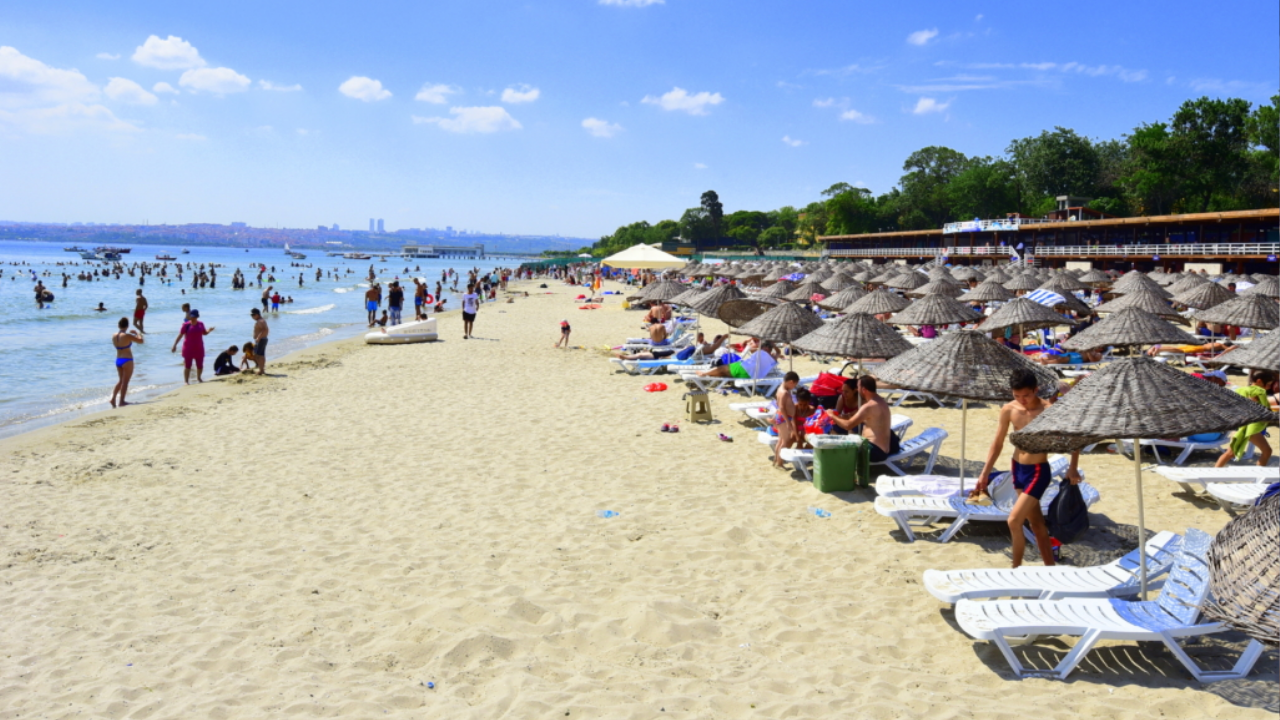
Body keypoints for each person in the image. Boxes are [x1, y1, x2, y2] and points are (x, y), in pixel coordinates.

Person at [971, 368, 1081, 568]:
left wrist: (1073, 468)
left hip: (1038, 471)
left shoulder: (1048, 409)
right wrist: (984, 473)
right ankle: (1050, 567)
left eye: (1027, 395)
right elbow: (997, 443)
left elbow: (1075, 438)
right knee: (1037, 525)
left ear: (1036, 390)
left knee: (1013, 521)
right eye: (1017, 395)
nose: (1022, 400)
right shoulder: (1009, 410)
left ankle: (1016, 570)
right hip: (1017, 469)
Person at [824, 376, 901, 462]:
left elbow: (848, 425)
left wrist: (832, 415)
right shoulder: (881, 401)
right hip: (885, 449)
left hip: (874, 451)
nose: (857, 390)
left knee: (838, 450)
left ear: (864, 390)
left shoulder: (868, 407)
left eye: (858, 387)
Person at [1215, 369, 1276, 468]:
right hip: (1251, 427)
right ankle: (1259, 476)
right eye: (1268, 384)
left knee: (1230, 453)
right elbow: (1265, 409)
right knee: (1267, 451)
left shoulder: (1240, 390)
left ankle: (1214, 474)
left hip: (1241, 424)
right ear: (1259, 381)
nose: (1269, 387)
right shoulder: (1260, 391)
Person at [171, 309, 214, 384]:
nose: (193, 318)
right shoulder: (186, 325)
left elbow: (204, 333)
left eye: (195, 317)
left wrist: (209, 330)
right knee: (187, 365)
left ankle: (199, 378)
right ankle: (186, 381)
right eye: (192, 317)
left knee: (200, 365)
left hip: (199, 347)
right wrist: (174, 345)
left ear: (197, 316)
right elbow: (180, 335)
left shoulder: (201, 324)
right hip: (188, 348)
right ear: (190, 316)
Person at [110, 317, 143, 408]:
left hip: (118, 360)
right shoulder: (127, 335)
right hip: (127, 359)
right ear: (127, 326)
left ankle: (113, 399)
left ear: (118, 325)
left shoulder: (114, 335)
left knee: (120, 381)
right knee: (125, 382)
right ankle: (121, 401)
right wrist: (137, 333)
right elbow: (141, 341)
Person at [772, 371, 802, 467]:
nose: (794, 387)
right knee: (784, 441)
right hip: (784, 418)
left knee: (781, 440)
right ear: (791, 382)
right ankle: (780, 463)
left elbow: (778, 404)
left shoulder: (780, 388)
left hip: (781, 416)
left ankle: (776, 460)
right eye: (795, 385)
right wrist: (788, 422)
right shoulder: (784, 392)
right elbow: (781, 407)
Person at [249, 308, 269, 375]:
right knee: (259, 355)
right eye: (251, 315)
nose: (252, 317)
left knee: (258, 355)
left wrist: (258, 337)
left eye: (253, 315)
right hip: (262, 339)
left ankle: (261, 370)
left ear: (257, 314)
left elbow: (265, 330)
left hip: (261, 340)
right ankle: (261, 369)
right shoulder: (261, 320)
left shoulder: (260, 321)